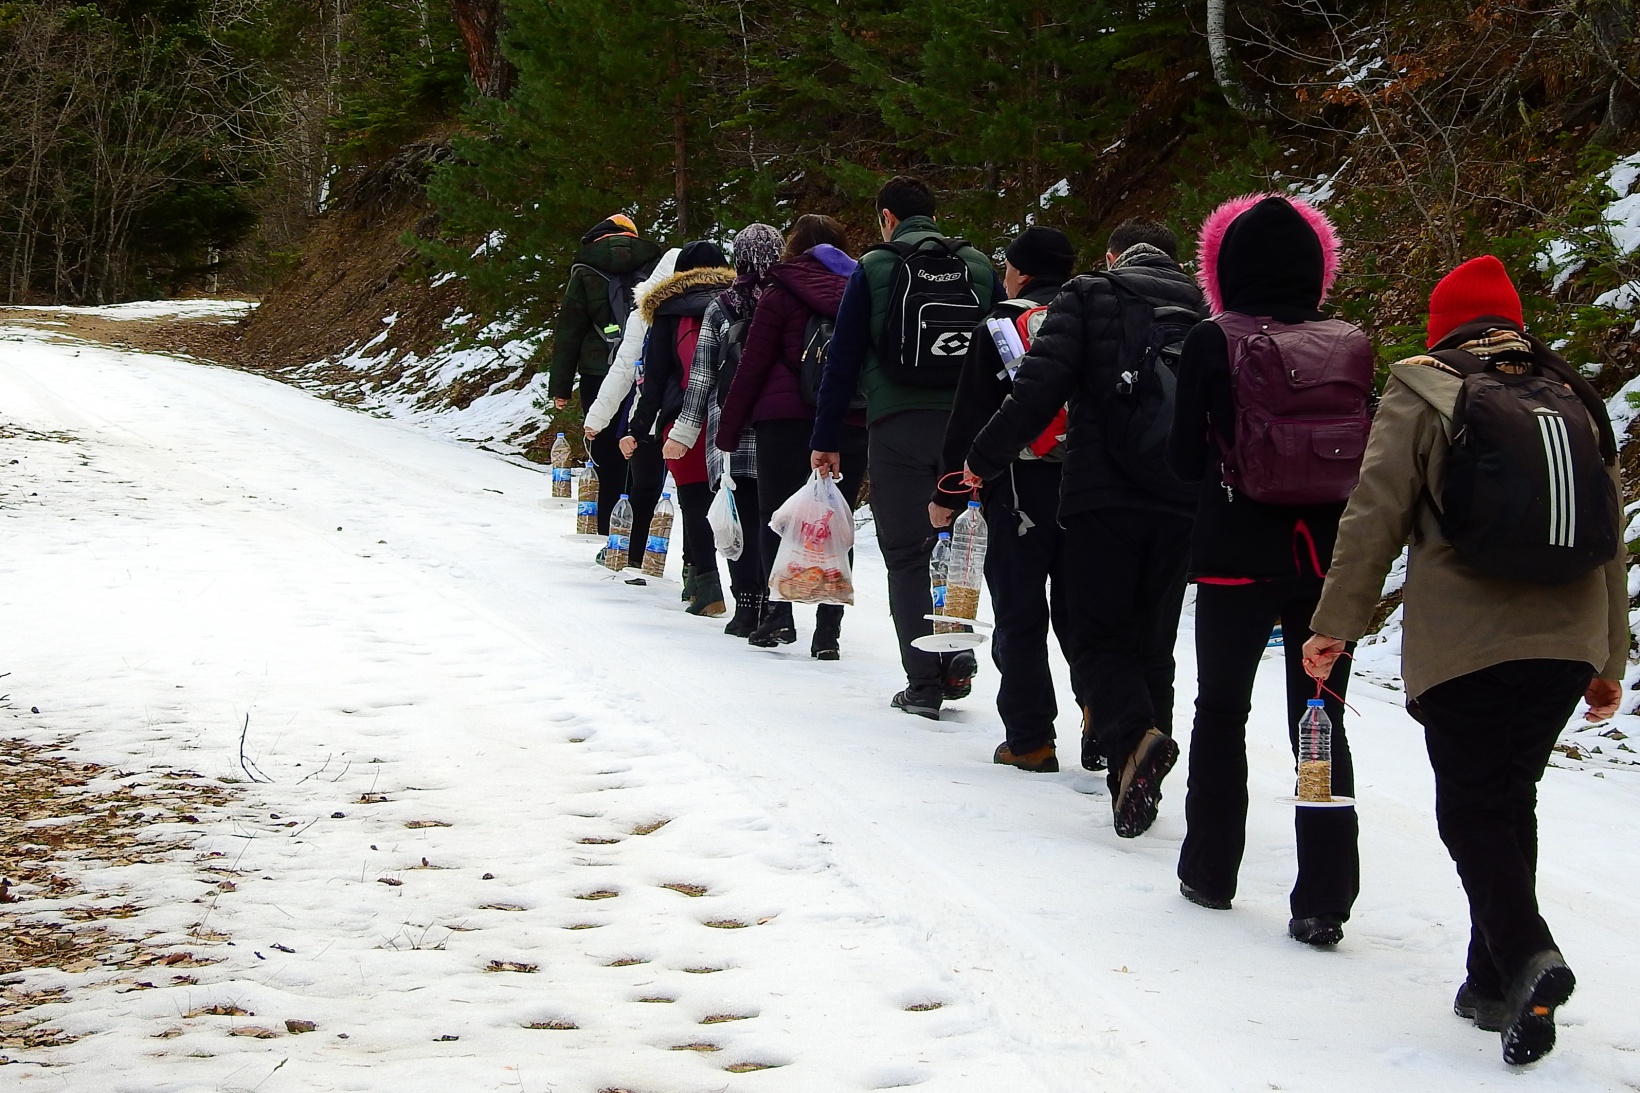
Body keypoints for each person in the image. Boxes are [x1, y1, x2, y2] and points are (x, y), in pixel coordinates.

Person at [1302, 255, 1626, 1066]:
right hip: (1569, 635)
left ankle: (1525, 956)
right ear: (1512, 320)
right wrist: (1608, 655)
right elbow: (1612, 537)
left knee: (1470, 806)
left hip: (1468, 640)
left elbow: (1373, 514)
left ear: (1442, 324)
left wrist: (1333, 623)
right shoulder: (1573, 392)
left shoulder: (1425, 386)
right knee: (1509, 794)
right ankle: (1489, 983)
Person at [1167, 195, 1368, 947]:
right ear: (1318, 268)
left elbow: (1185, 459)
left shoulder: (1209, 339)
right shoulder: (1350, 343)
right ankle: (1324, 896)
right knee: (1316, 721)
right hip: (1322, 559)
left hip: (1232, 558)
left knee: (1222, 712)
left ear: (1228, 267)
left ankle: (1211, 870)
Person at [965, 219, 1205, 836]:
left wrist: (980, 460)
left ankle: (1133, 740)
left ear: (1113, 255)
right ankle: (1136, 771)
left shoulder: (1090, 294)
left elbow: (1035, 392)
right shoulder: (1209, 310)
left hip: (1103, 495)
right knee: (1153, 641)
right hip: (1184, 497)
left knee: (1097, 633)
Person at [809, 176, 1002, 716]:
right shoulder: (980, 266)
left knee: (907, 554)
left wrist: (825, 438)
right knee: (961, 545)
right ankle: (958, 653)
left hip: (895, 423)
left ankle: (923, 684)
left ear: (887, 217)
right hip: (969, 429)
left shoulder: (874, 267)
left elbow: (842, 359)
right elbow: (1005, 349)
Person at [930, 225, 1078, 771]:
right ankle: (1104, 722)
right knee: (1081, 609)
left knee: (1020, 610)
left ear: (1020, 269)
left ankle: (1030, 736)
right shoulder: (1090, 314)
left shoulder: (999, 324)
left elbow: (970, 414)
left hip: (1018, 484)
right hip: (1090, 486)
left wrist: (946, 487)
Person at [718, 215, 866, 657]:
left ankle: (778, 616)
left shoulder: (779, 292)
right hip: (849, 420)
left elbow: (754, 363)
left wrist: (729, 430)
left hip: (783, 417)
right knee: (835, 521)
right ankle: (828, 633)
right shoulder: (865, 289)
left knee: (774, 516)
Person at [665, 223, 784, 635]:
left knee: (738, 520)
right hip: (781, 430)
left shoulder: (722, 305)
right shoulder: (789, 299)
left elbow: (700, 377)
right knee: (773, 521)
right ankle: (775, 607)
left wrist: (684, 432)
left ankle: (746, 605)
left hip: (730, 432)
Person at [626, 240, 736, 615]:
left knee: (693, 501)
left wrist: (638, 427)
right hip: (733, 415)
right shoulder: (739, 303)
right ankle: (721, 582)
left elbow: (653, 379)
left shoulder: (667, 311)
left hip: (683, 418)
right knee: (736, 501)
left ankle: (707, 584)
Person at [549, 215, 662, 534]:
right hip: (642, 369)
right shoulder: (653, 266)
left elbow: (569, 331)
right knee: (637, 444)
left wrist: (560, 386)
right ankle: (635, 527)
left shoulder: (585, 270)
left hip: (598, 371)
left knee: (603, 444)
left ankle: (605, 524)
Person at [585, 248, 679, 574]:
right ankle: (695, 569)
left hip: (649, 415)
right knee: (697, 496)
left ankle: (632, 551)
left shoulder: (646, 313)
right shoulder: (715, 308)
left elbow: (624, 368)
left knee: (645, 486)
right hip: (698, 413)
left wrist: (598, 417)